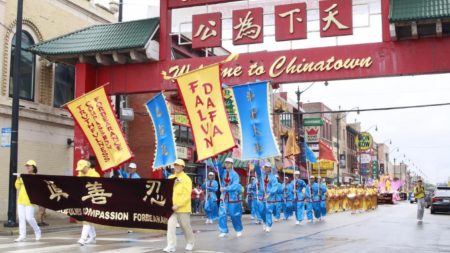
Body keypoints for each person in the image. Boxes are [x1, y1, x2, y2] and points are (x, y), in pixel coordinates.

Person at [164, 159, 195, 252]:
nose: (177, 167)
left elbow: (187, 195)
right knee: (170, 226)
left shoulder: (186, 179)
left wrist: (178, 205)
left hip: (183, 208)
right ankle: (171, 245)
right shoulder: (170, 177)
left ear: (183, 167)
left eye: (179, 165)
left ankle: (190, 242)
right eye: (175, 165)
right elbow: (166, 191)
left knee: (185, 226)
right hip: (171, 207)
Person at [14, 160, 41, 242]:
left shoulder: (36, 177)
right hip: (21, 200)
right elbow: (17, 187)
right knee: (21, 218)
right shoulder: (23, 176)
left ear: (34, 167)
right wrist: (18, 178)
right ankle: (22, 235)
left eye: (29, 165)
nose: (28, 167)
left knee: (29, 218)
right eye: (27, 166)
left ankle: (37, 231)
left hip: (30, 201)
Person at [218, 157, 243, 237]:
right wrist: (216, 158)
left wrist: (225, 188)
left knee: (234, 214)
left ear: (232, 164)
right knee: (222, 213)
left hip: (233, 197)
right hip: (224, 196)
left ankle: (238, 229)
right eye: (226, 163)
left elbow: (235, 185)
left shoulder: (235, 175)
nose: (227, 164)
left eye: (229, 163)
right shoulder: (223, 172)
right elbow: (217, 168)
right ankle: (223, 230)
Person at [76, 159, 100, 246]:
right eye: (80, 169)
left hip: (93, 199)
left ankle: (83, 238)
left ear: (87, 167)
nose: (81, 170)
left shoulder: (95, 174)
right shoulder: (80, 174)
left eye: (82, 168)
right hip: (84, 199)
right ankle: (93, 237)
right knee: (88, 218)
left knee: (87, 218)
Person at [256, 162, 278, 232]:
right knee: (261, 210)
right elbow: (257, 169)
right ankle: (264, 222)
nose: (266, 168)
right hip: (261, 195)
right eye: (265, 167)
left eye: (268, 167)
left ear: (270, 168)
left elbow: (275, 186)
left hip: (269, 196)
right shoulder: (261, 175)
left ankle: (268, 225)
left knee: (268, 210)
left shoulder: (273, 177)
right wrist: (257, 162)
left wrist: (269, 194)